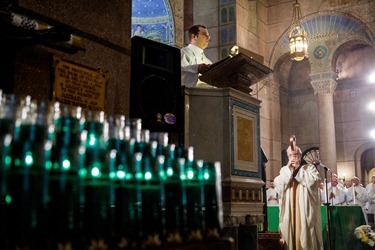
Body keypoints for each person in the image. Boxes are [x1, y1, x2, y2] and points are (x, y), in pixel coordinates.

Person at [274, 145, 323, 250]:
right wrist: (289, 170)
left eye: (296, 155)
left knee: (305, 231)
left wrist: (298, 170)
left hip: (304, 208)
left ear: (300, 156)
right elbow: (278, 184)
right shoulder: (284, 170)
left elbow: (313, 182)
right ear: (288, 156)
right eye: (291, 155)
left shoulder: (309, 168)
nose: (293, 157)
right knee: (289, 231)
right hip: (289, 208)